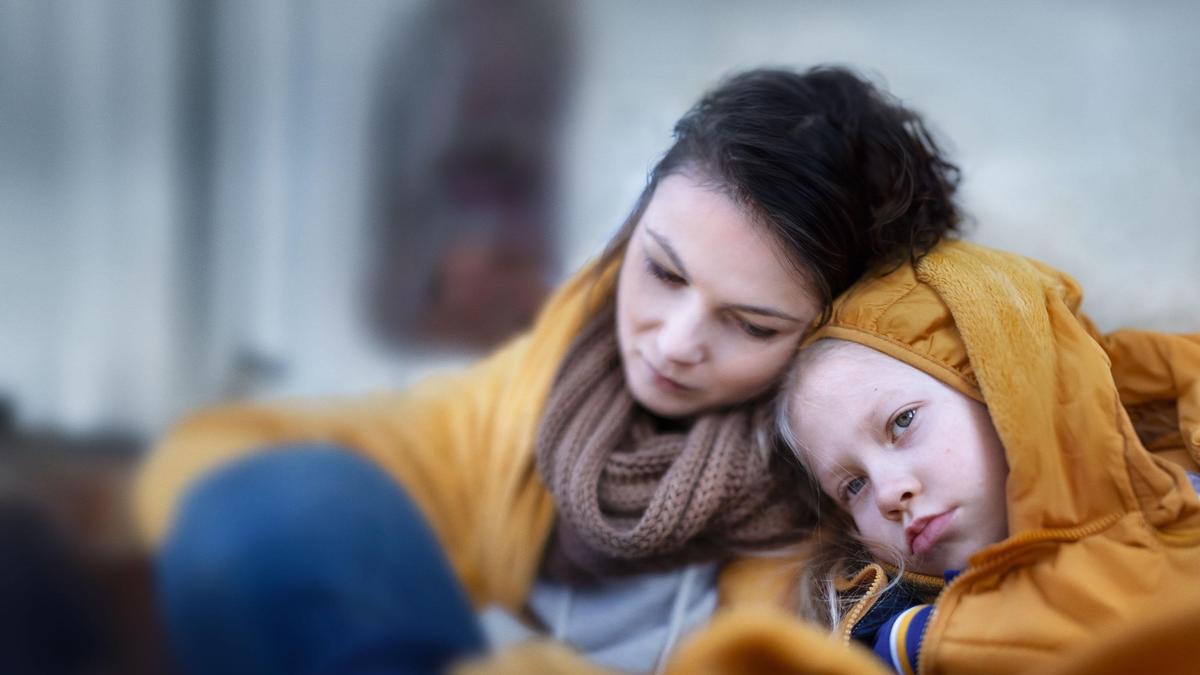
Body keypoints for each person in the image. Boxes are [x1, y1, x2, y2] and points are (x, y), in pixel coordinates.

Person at [133, 65, 964, 675]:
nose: (673, 342)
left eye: (751, 324)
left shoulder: (867, 507)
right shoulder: (543, 383)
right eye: (664, 272)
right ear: (629, 233)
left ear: (831, 334)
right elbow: (235, 458)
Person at [747, 240, 1200, 675]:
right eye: (853, 486)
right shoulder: (908, 643)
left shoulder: (1183, 492)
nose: (888, 493)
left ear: (1001, 384)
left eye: (902, 422)